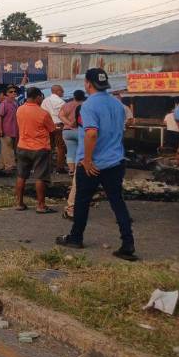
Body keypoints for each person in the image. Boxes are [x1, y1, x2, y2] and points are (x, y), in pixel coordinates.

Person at [56, 69, 136, 261]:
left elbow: (91, 133)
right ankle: (128, 243)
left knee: (82, 201)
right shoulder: (117, 104)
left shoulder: (89, 105)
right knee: (117, 202)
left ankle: (76, 237)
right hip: (115, 162)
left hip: (92, 164)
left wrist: (88, 160)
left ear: (87, 83)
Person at [15, 87, 56, 213]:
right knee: (40, 177)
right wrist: (52, 146)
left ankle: (19, 203)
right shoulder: (43, 113)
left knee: (21, 176)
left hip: (22, 146)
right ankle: (41, 205)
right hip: (40, 148)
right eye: (41, 97)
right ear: (38, 97)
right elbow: (52, 131)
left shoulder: (19, 110)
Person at [59, 90, 86, 175]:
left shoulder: (66, 105)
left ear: (74, 96)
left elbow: (60, 115)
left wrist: (69, 123)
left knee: (70, 151)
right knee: (83, 150)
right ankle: (81, 169)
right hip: (81, 131)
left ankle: (71, 170)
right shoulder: (85, 105)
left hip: (67, 131)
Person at [41, 84, 67, 172]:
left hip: (48, 126)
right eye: (62, 91)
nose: (63, 92)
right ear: (57, 91)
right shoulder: (62, 102)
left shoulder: (45, 101)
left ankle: (48, 167)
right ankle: (60, 167)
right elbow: (65, 115)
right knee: (60, 147)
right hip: (59, 125)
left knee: (49, 147)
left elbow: (42, 113)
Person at [0, 86, 19, 172]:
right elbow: (0, 117)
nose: (13, 93)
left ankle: (2, 164)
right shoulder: (4, 104)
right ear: (7, 94)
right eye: (11, 92)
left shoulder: (15, 103)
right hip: (6, 129)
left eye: (14, 91)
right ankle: (9, 165)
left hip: (14, 129)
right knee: (8, 148)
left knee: (6, 148)